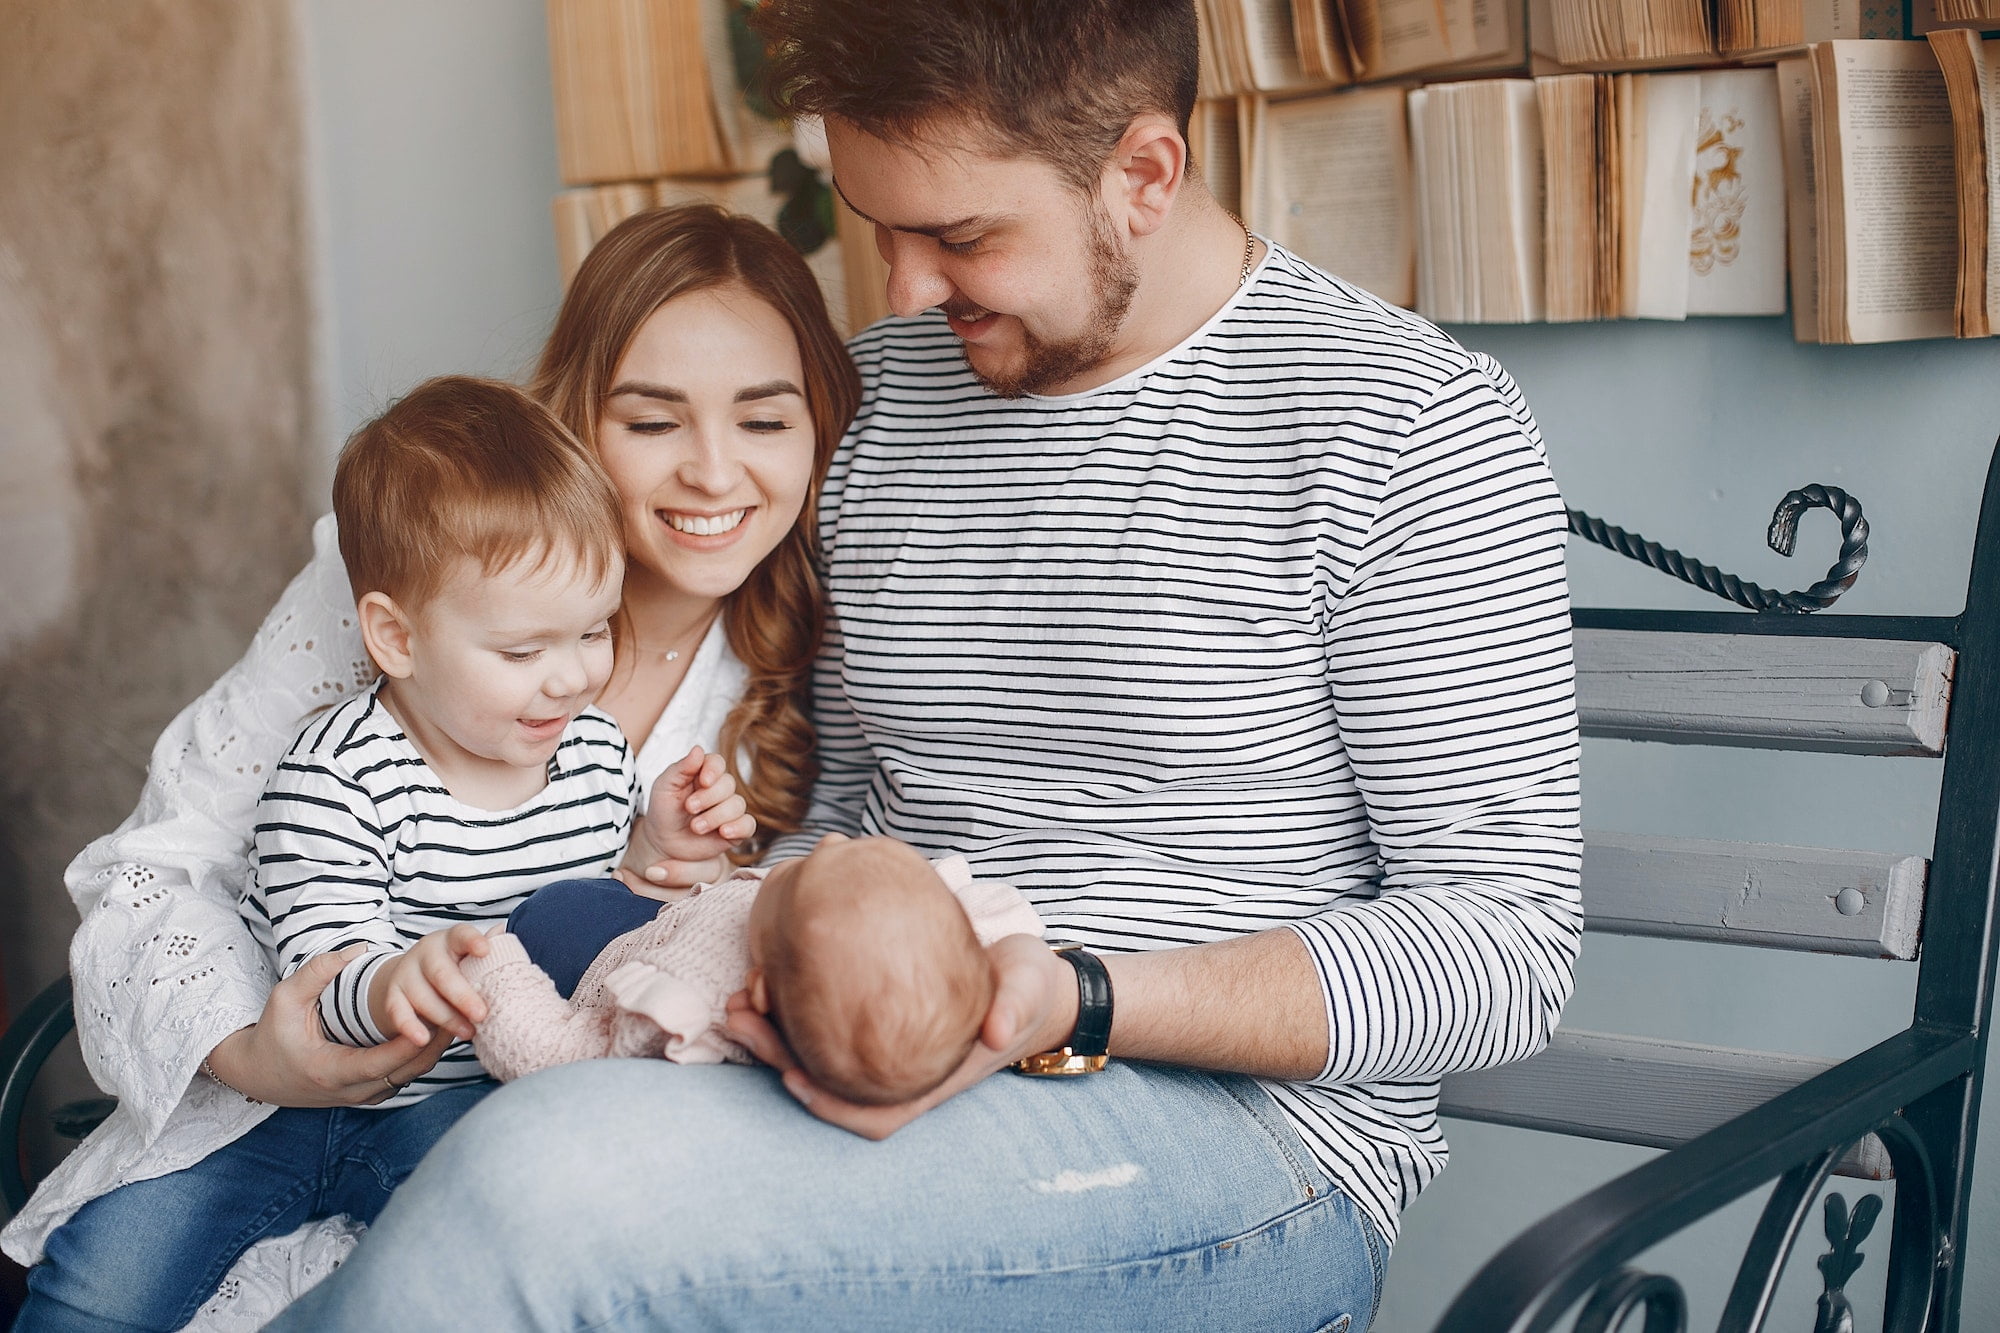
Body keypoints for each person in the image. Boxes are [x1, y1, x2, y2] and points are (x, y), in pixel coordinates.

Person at [275, 3, 1584, 1329]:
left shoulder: (1405, 428)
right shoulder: (883, 399)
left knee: (538, 1186)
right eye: (876, 224)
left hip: (1242, 1152)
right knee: (511, 1172)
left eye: (961, 236)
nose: (900, 288)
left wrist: (1075, 997)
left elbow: (1501, 951)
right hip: (834, 1060)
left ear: (1142, 175)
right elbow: (825, 812)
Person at [0, 205, 861, 1330]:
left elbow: (683, 953)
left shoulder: (838, 643)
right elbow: (166, 864)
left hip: (532, 1161)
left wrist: (665, 869)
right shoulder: (420, 574)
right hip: (280, 1102)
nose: (712, 472)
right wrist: (265, 1052)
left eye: (763, 419)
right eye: (653, 421)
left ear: (818, 430)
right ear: (585, 423)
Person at [469, 835, 1045, 1106]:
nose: (836, 838)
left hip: (581, 963)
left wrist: (493, 966)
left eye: (816, 863)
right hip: (661, 910)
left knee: (556, 912)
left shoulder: (686, 1012)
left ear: (762, 991)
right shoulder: (915, 939)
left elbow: (546, 1055)